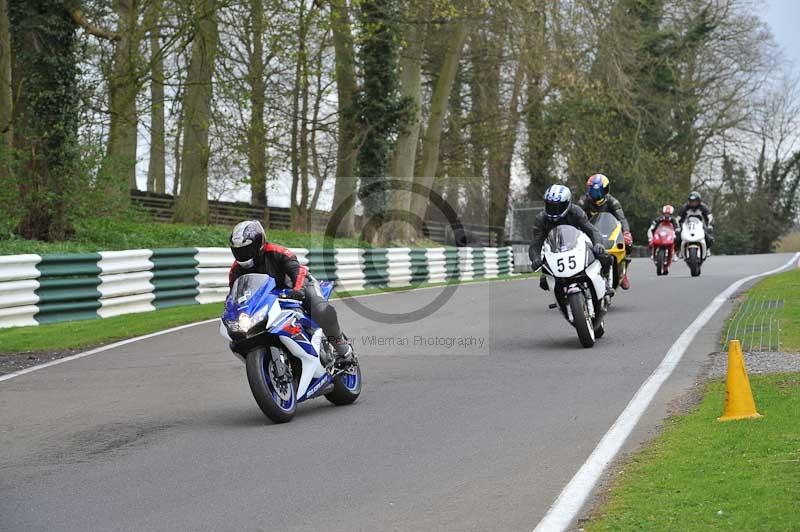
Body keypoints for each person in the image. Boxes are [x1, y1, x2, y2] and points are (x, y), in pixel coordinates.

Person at [227, 220, 353, 362]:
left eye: (247, 249)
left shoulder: (278, 253)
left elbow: (297, 272)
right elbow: (234, 293)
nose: (243, 254)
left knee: (320, 309)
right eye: (238, 251)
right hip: (271, 299)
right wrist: (231, 310)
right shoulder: (236, 269)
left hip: (299, 287)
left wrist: (297, 289)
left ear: (259, 243)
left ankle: (344, 350)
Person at [529, 184, 615, 296]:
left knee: (604, 256)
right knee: (544, 282)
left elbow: (591, 230)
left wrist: (598, 244)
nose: (554, 210)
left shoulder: (576, 212)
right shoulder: (541, 219)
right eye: (550, 206)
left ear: (567, 203)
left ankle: (604, 283)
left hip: (578, 243)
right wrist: (535, 259)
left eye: (558, 206)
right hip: (554, 249)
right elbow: (535, 243)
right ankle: (561, 298)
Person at [578, 173, 634, 289]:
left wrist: (626, 232)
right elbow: (577, 218)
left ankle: (623, 273)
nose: (597, 195)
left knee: (628, 243)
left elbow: (622, 219)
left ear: (606, 190)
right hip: (591, 232)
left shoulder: (613, 202)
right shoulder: (583, 202)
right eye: (593, 192)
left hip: (610, 231)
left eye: (599, 192)